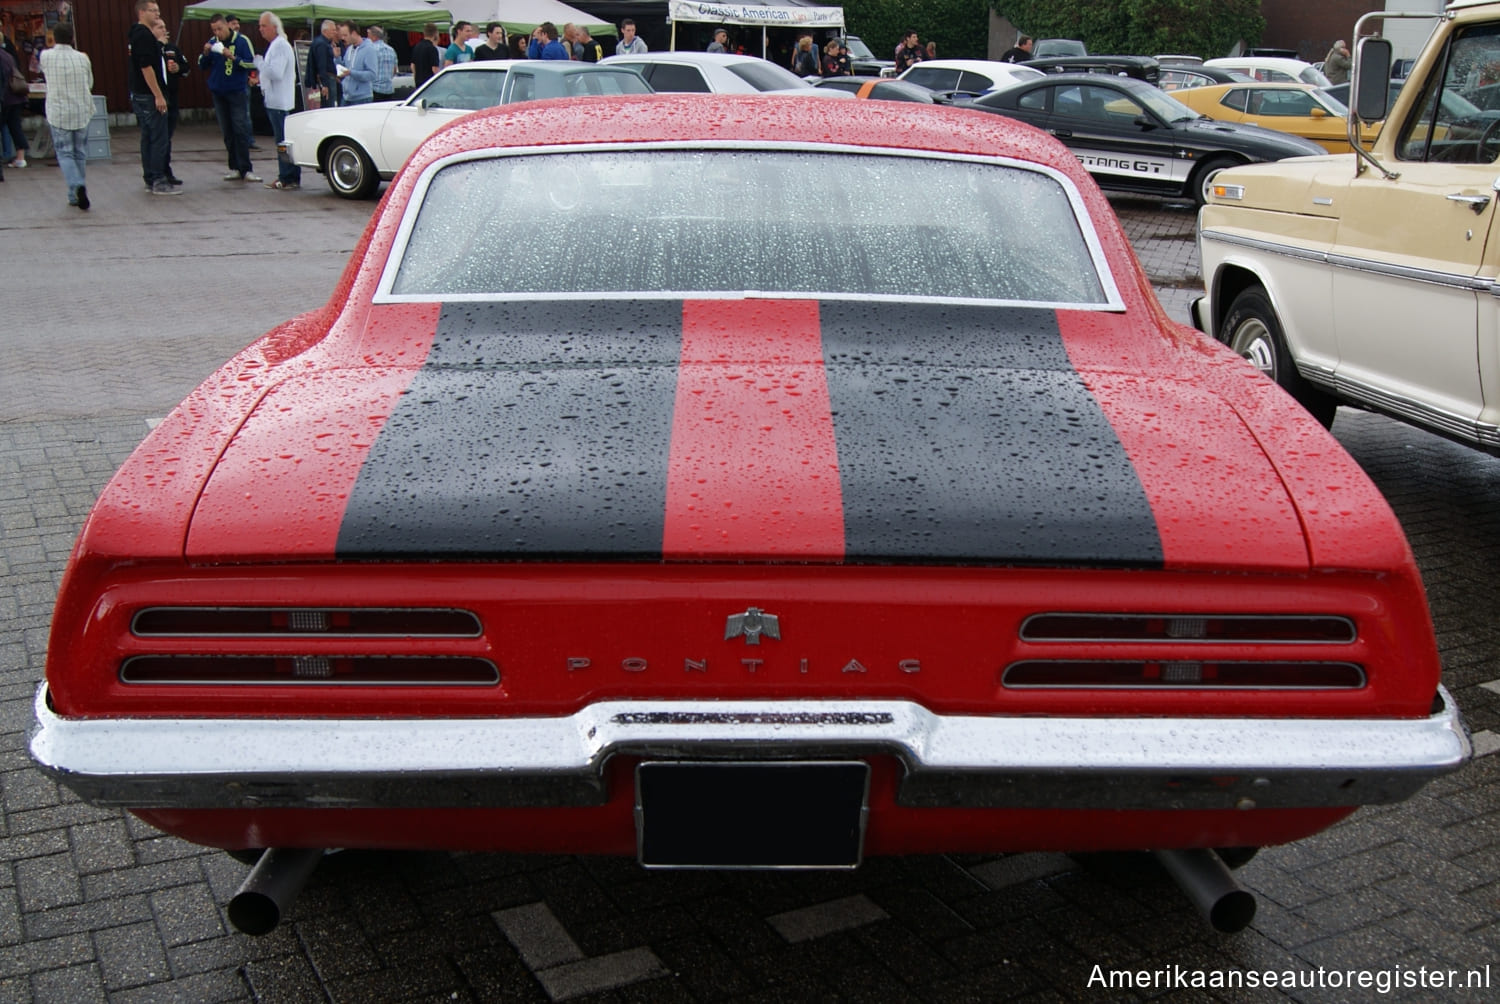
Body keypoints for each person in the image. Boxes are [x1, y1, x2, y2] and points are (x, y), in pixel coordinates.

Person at [38, 19, 90, 207]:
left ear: (54, 37)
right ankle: (74, 194)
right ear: (72, 38)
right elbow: (89, 83)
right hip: (81, 110)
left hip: (59, 111)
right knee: (80, 153)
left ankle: (76, 186)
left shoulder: (45, 56)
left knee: (65, 153)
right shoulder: (83, 57)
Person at [199, 12, 258, 182]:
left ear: (227, 26)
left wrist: (232, 56)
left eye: (220, 28)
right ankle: (234, 167)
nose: (217, 33)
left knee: (240, 129)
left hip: (237, 92)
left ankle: (246, 169)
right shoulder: (213, 42)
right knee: (227, 131)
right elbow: (202, 65)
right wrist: (206, 52)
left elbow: (251, 63)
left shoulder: (241, 41)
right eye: (214, 30)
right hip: (219, 93)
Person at [128, 0, 176, 194]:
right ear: (141, 12)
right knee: (158, 137)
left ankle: (149, 177)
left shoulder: (136, 34)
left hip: (139, 93)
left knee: (147, 136)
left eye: (158, 10)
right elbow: (146, 67)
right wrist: (158, 95)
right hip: (148, 94)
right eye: (152, 10)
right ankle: (158, 180)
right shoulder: (144, 36)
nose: (157, 13)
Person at [258, 10, 299, 191]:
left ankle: (287, 177)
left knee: (282, 142)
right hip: (276, 100)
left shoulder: (280, 46)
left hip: (280, 103)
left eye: (264, 26)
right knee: (283, 141)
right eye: (259, 26)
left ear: (274, 27)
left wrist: (259, 63)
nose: (261, 30)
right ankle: (289, 176)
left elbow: (276, 72)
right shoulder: (277, 45)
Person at [154, 17, 188, 186]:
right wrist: (159, 45)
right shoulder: (152, 48)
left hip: (172, 99)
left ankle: (166, 170)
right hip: (158, 98)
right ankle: (157, 172)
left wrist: (178, 68)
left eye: (165, 27)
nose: (164, 31)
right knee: (159, 137)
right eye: (160, 27)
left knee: (167, 137)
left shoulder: (172, 49)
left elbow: (186, 68)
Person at [0, 37, 27, 170]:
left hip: (5, 98)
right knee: (15, 127)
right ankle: (20, 158)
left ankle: (7, 154)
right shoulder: (8, 55)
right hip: (15, 97)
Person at [337, 22, 377, 105]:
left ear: (354, 33)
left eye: (345, 35)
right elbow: (344, 67)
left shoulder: (369, 49)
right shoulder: (349, 49)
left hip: (362, 98)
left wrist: (351, 73)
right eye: (342, 36)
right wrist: (337, 58)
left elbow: (372, 75)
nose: (343, 38)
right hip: (346, 96)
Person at [306, 19, 340, 107]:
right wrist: (324, 85)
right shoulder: (321, 44)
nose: (335, 32)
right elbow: (321, 65)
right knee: (329, 105)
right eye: (333, 30)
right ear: (325, 31)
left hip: (329, 78)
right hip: (327, 79)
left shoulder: (323, 42)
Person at [366, 25, 397, 100]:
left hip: (375, 89)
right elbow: (394, 70)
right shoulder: (391, 50)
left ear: (374, 37)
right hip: (389, 89)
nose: (367, 38)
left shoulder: (371, 49)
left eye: (368, 36)